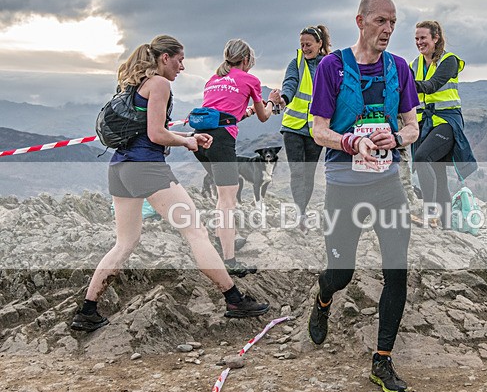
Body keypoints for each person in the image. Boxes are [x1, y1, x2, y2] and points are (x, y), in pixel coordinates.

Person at [70, 35, 269, 332]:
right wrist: (188, 141)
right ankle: (234, 299)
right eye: (179, 60)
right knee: (196, 231)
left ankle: (87, 311)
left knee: (125, 243)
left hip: (120, 168)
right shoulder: (160, 84)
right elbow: (156, 134)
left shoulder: (134, 86)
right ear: (165, 58)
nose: (183, 67)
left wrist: (189, 139)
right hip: (147, 168)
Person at [306, 0, 420, 392]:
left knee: (397, 271)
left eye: (392, 22)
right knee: (341, 273)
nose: (387, 29)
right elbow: (318, 130)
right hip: (344, 186)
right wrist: (351, 141)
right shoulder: (332, 68)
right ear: (360, 21)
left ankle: (382, 359)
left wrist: (397, 136)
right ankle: (323, 299)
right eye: (380, 22)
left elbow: (412, 125)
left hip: (388, 186)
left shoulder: (400, 69)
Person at [193, 39, 281, 277]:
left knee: (223, 197)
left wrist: (246, 111)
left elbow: (224, 114)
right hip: (221, 143)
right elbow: (265, 116)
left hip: (199, 141)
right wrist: (271, 100)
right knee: (228, 202)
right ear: (245, 60)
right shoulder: (250, 80)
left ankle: (223, 241)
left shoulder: (213, 79)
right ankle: (229, 259)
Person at [410, 21, 477, 229]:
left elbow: (431, 86)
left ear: (435, 38)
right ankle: (446, 225)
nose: (419, 42)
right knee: (437, 172)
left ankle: (430, 214)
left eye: (423, 38)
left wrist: (402, 82)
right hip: (427, 124)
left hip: (448, 121)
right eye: (417, 39)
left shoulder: (449, 61)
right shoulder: (415, 64)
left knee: (422, 158)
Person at [279, 25, 331, 231]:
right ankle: (299, 214)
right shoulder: (296, 63)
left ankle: (302, 210)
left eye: (308, 44)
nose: (305, 48)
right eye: (301, 44)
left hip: (315, 130)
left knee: (308, 174)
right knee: (297, 172)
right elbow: (290, 83)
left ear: (319, 44)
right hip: (292, 126)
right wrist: (283, 99)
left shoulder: (328, 64)